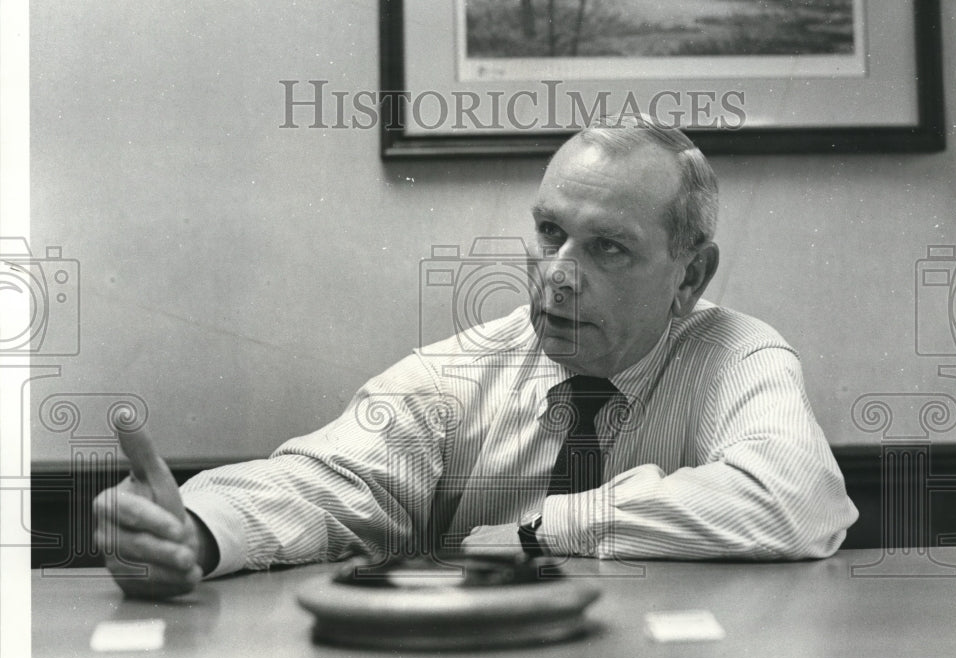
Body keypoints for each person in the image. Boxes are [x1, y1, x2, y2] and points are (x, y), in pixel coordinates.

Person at [94, 116, 859, 600]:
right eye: (550, 232)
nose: (558, 273)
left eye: (608, 249)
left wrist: (552, 526)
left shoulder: (735, 354)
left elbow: (793, 499)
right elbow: (329, 483)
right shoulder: (456, 373)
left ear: (689, 276)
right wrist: (194, 527)